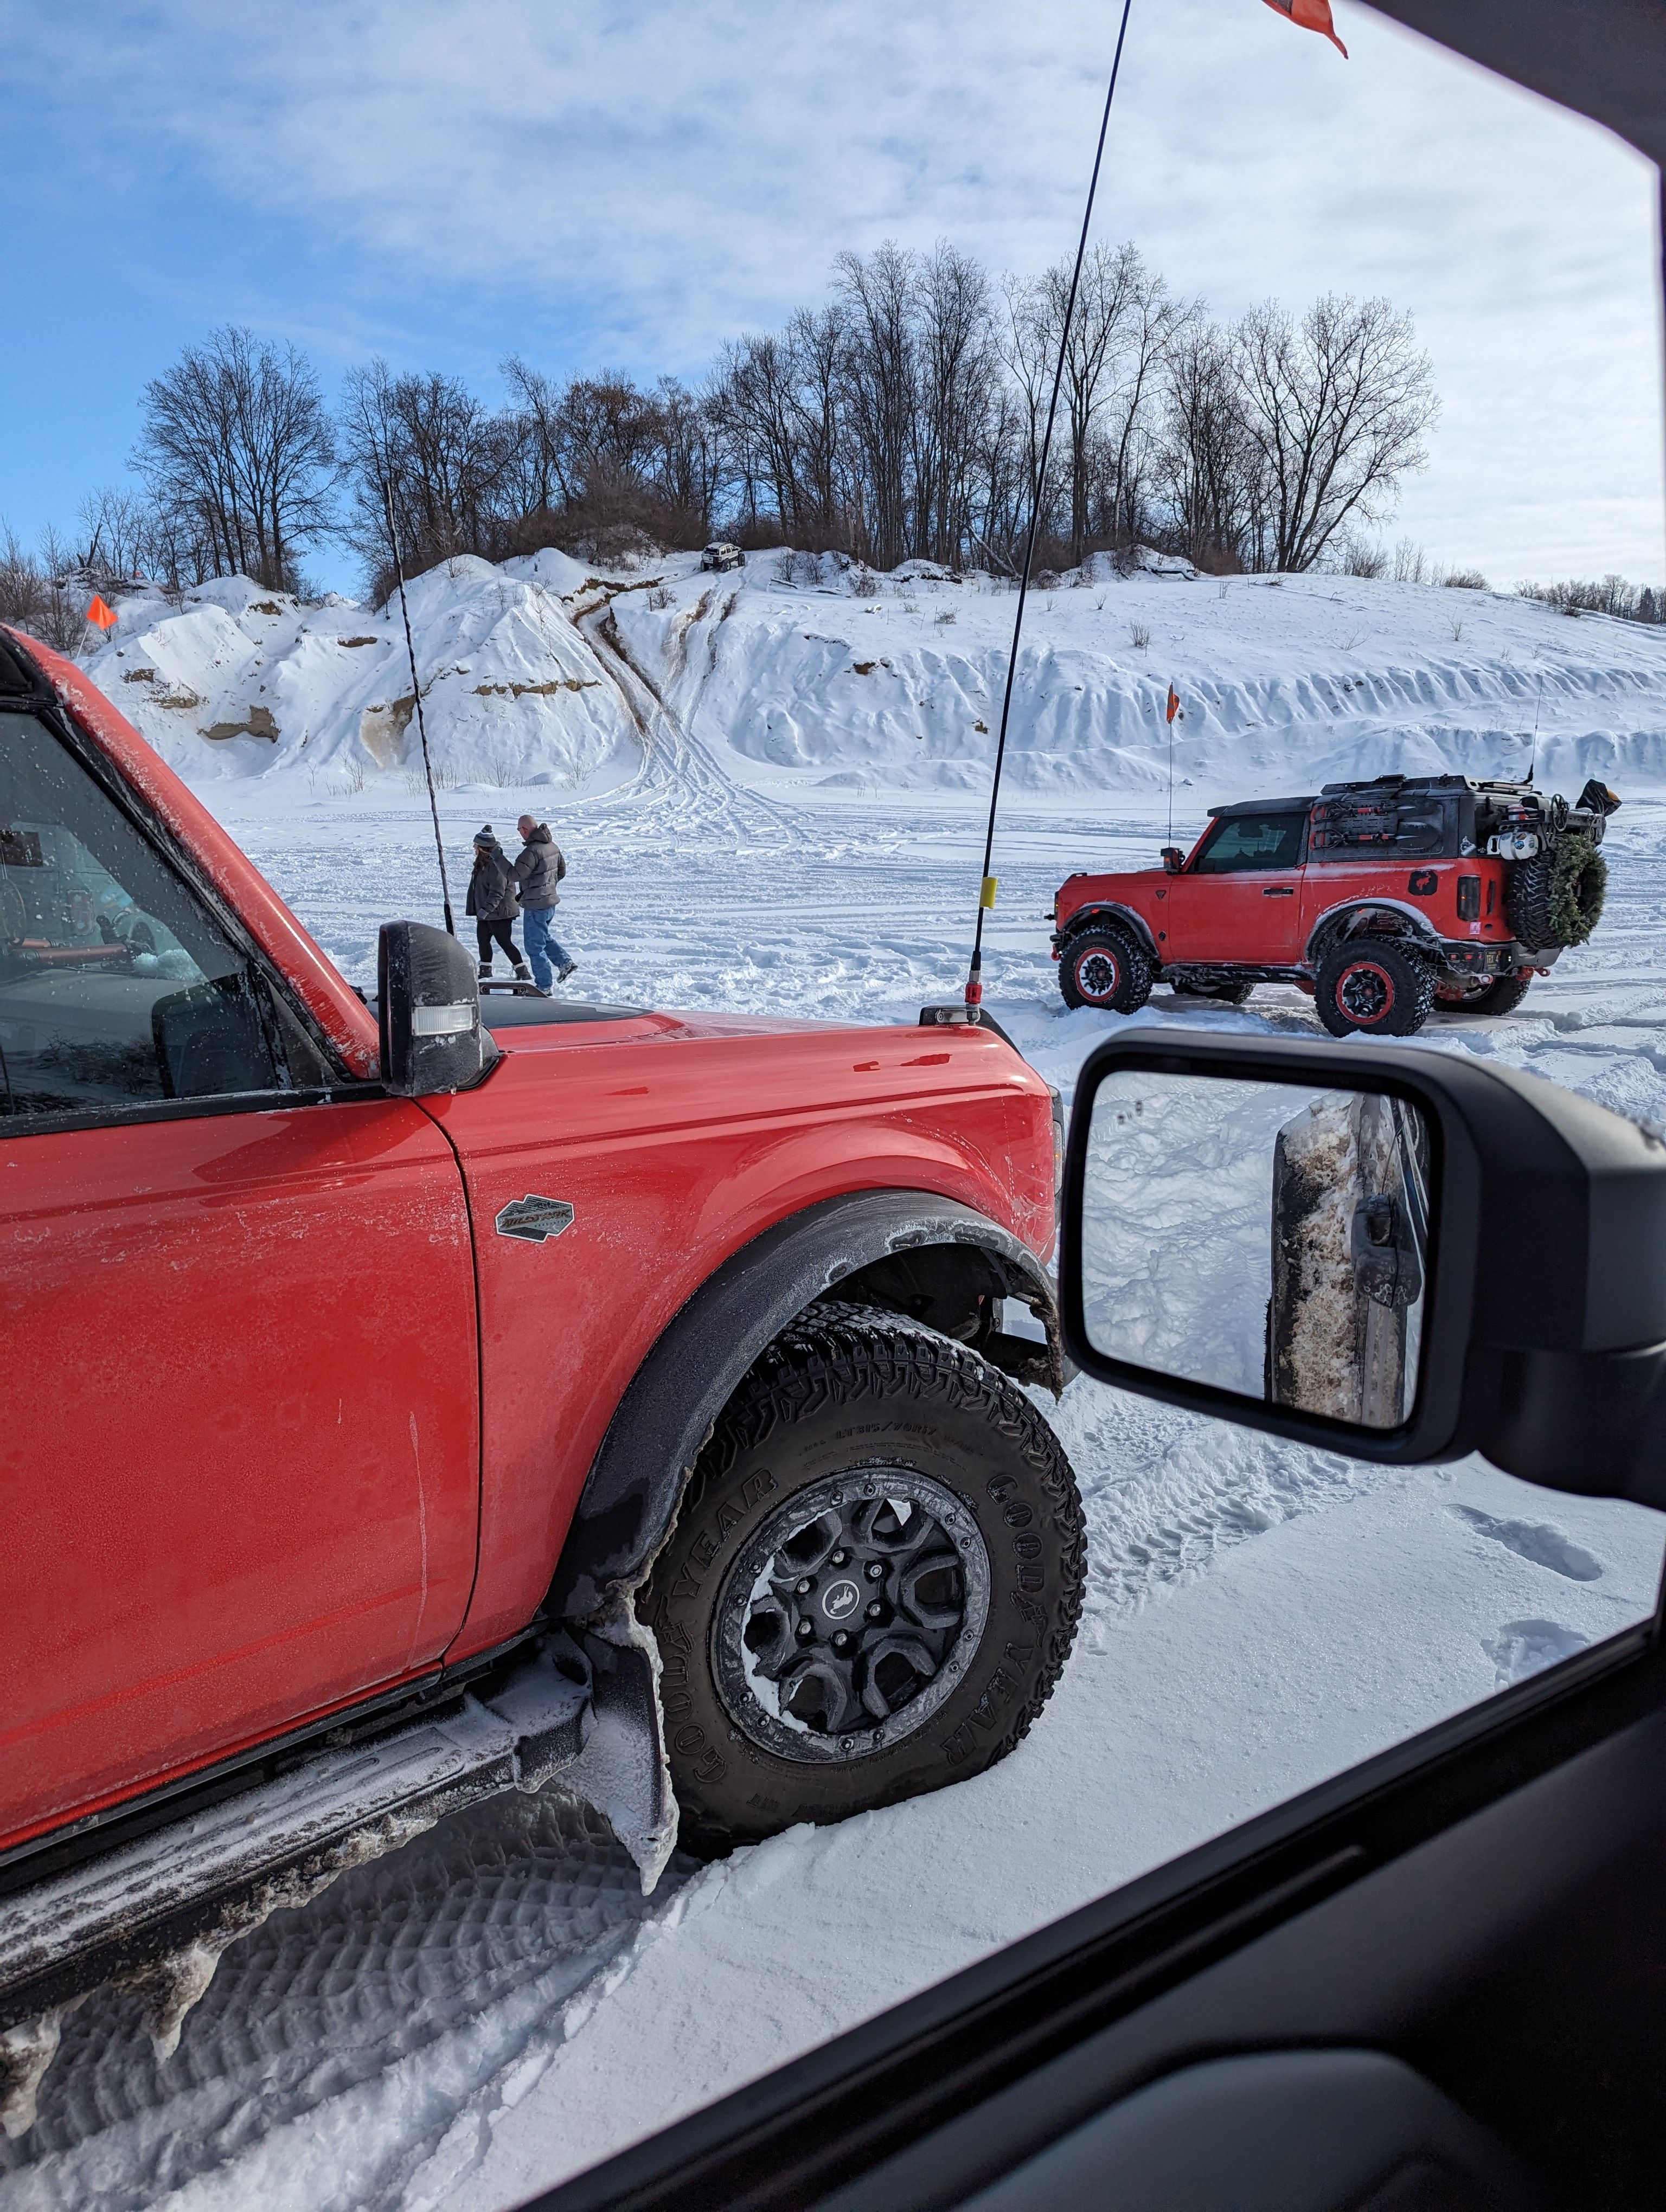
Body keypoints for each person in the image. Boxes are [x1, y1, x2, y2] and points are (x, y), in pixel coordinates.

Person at [513, 814, 577, 991]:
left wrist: (497, 857)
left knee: (534, 946)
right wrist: (548, 887)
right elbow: (561, 872)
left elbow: (514, 875)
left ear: (525, 830)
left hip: (536, 905)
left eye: (520, 830)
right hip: (550, 903)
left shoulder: (531, 851)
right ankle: (565, 963)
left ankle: (544, 986)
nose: (520, 833)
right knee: (543, 937)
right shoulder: (552, 846)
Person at [465, 826, 530, 983]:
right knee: (483, 940)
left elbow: (497, 893)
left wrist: (484, 911)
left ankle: (523, 973)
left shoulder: (496, 865)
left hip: (501, 912)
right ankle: (485, 971)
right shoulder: (482, 864)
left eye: (476, 845)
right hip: (488, 912)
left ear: (482, 848)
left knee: (504, 942)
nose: (474, 848)